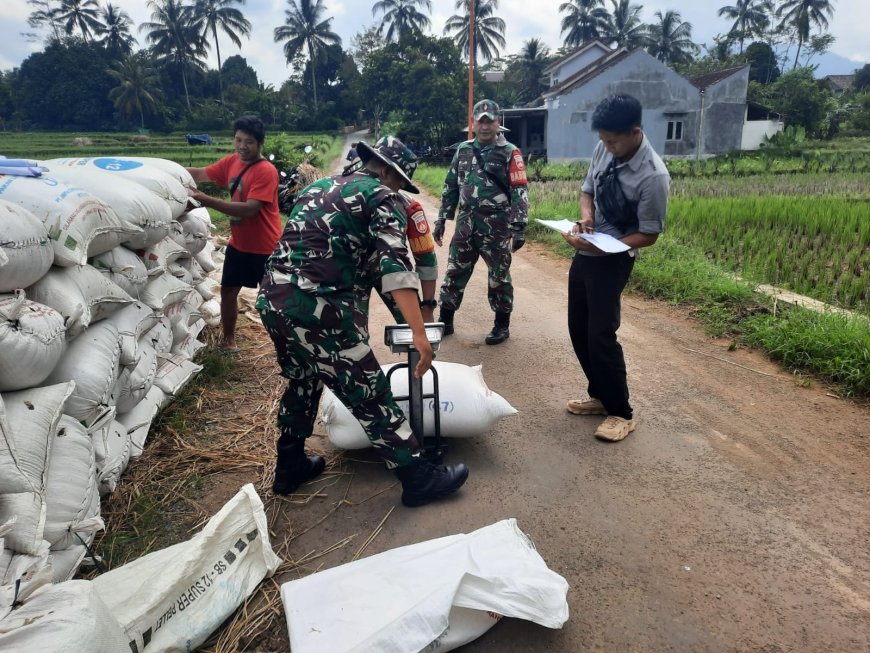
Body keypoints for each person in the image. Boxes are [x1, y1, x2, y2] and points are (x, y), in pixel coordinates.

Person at [255, 136, 469, 508]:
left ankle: (289, 465)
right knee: (370, 392)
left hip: (273, 300)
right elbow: (395, 266)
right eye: (400, 181)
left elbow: (348, 260)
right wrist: (420, 334)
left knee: (303, 380)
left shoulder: (319, 186)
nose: (400, 190)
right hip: (315, 309)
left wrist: (408, 315)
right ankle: (418, 478)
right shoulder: (383, 196)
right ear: (386, 170)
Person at [561, 94, 670, 442]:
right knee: (578, 327)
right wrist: (587, 217)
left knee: (601, 334)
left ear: (635, 132)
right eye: (603, 140)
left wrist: (608, 245)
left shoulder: (653, 176)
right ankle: (600, 396)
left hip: (612, 261)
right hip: (586, 253)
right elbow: (587, 189)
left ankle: (621, 412)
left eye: (613, 141)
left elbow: (650, 234)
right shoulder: (605, 148)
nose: (607, 146)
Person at [433, 99, 529, 345]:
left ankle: (501, 324)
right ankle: (446, 320)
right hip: (466, 224)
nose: (486, 126)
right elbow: (450, 185)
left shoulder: (510, 152)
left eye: (491, 121)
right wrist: (442, 218)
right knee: (454, 271)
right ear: (473, 123)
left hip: (496, 226)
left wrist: (519, 226)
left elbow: (519, 189)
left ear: (499, 123)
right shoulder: (463, 150)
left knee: (499, 276)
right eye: (481, 121)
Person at [186, 115, 281, 353]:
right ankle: (229, 342)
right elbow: (200, 174)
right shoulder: (231, 162)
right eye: (238, 140)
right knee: (228, 291)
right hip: (239, 244)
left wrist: (207, 201)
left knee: (271, 300)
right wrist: (166, 171)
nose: (242, 146)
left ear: (260, 144)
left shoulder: (266, 171)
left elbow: (250, 209)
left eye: (248, 142)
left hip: (265, 247)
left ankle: (283, 345)